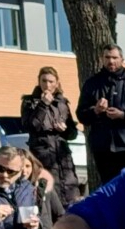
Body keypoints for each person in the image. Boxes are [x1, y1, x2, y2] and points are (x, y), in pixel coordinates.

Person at [77, 46, 125, 188]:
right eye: (107, 58)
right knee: (110, 190)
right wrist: (95, 110)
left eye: (114, 58)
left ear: (122, 60)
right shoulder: (92, 84)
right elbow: (81, 115)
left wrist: (124, 115)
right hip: (103, 149)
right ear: (102, 59)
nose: (111, 61)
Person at [20, 67, 81, 204]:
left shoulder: (62, 103)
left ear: (57, 83)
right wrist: (43, 105)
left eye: (51, 81)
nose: (47, 85)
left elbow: (73, 134)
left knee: (70, 196)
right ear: (39, 81)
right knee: (47, 196)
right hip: (42, 155)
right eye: (44, 81)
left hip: (62, 157)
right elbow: (30, 126)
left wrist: (64, 130)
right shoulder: (30, 102)